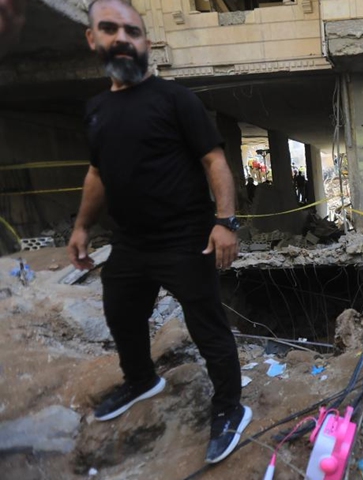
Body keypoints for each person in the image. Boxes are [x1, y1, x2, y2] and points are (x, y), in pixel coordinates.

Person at [67, 0, 250, 465]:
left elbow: (215, 162)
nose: (122, 38)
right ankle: (141, 379)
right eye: (109, 29)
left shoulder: (175, 100)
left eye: (132, 31)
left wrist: (225, 222)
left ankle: (230, 407)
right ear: (93, 39)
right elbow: (98, 174)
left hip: (186, 237)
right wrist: (82, 226)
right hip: (130, 241)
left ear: (146, 43)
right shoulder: (96, 109)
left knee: (207, 327)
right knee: (121, 314)